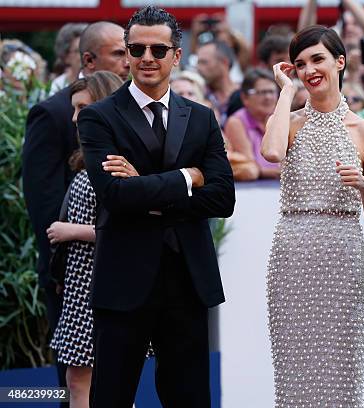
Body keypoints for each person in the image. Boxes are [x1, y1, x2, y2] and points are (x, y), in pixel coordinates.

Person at [77, 6, 235, 407]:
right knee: (111, 396)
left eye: (158, 49)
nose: (148, 57)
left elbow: (222, 198)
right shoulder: (98, 117)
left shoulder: (200, 117)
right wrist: (187, 177)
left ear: (176, 55)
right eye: (138, 48)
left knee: (191, 398)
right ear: (127, 54)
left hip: (187, 278)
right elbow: (114, 196)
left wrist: (144, 189)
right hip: (124, 278)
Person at [261, 25, 364, 406]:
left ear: (340, 61)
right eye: (300, 64)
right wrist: (286, 92)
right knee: (293, 368)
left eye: (317, 59)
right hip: (292, 253)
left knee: (341, 367)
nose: (309, 70)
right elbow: (270, 153)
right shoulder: (289, 122)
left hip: (343, 253)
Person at [21, 21, 128, 402]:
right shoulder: (51, 114)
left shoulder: (136, 112)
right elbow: (44, 203)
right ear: (88, 58)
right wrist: (58, 270)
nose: (130, 60)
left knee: (116, 373)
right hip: (74, 274)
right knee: (75, 379)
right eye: (119, 52)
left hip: (120, 270)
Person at [47, 71, 123, 408]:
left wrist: (71, 232)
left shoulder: (116, 162)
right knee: (82, 380)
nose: (76, 117)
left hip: (102, 285)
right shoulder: (88, 158)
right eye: (75, 108)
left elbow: (132, 228)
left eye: (84, 107)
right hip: (80, 285)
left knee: (89, 380)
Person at [224, 68, 280, 179]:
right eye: (262, 92)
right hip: (251, 189)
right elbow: (251, 166)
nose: (268, 97)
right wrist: (282, 172)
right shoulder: (236, 122)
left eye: (271, 92)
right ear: (245, 98)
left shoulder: (279, 119)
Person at [196, 40, 241, 126]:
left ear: (224, 63)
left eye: (204, 62)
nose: (199, 68)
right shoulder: (197, 93)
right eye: (198, 63)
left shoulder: (246, 94)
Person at [49, 23, 88, 95]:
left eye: (87, 49)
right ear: (66, 56)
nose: (84, 55)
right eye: (78, 51)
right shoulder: (58, 85)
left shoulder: (97, 82)